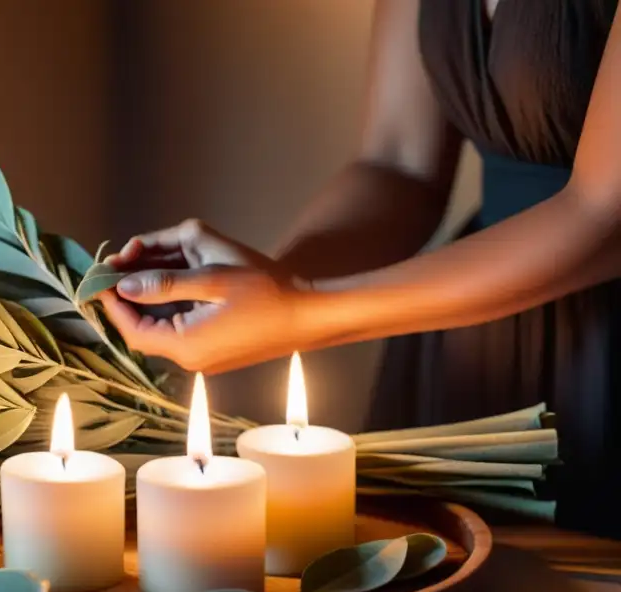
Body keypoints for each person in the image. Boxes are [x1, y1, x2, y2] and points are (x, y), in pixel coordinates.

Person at [99, 0, 621, 537]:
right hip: (470, 343)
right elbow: (398, 165)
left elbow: (604, 215)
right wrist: (276, 280)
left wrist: (304, 313)